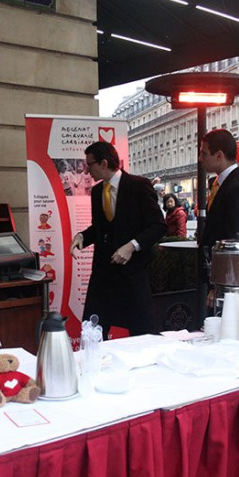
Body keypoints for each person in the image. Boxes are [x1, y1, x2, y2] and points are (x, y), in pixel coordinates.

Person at [69, 141, 166, 336]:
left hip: (132, 274)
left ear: (104, 163)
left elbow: (158, 225)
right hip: (103, 274)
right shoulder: (97, 192)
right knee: (92, 330)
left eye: (90, 165)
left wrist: (131, 246)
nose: (87, 171)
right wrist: (82, 237)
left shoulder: (138, 186)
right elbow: (99, 228)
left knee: (141, 334)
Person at [198, 128, 239, 250]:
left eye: (204, 154)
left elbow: (237, 240)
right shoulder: (226, 184)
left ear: (219, 156)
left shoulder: (238, 189)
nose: (200, 159)